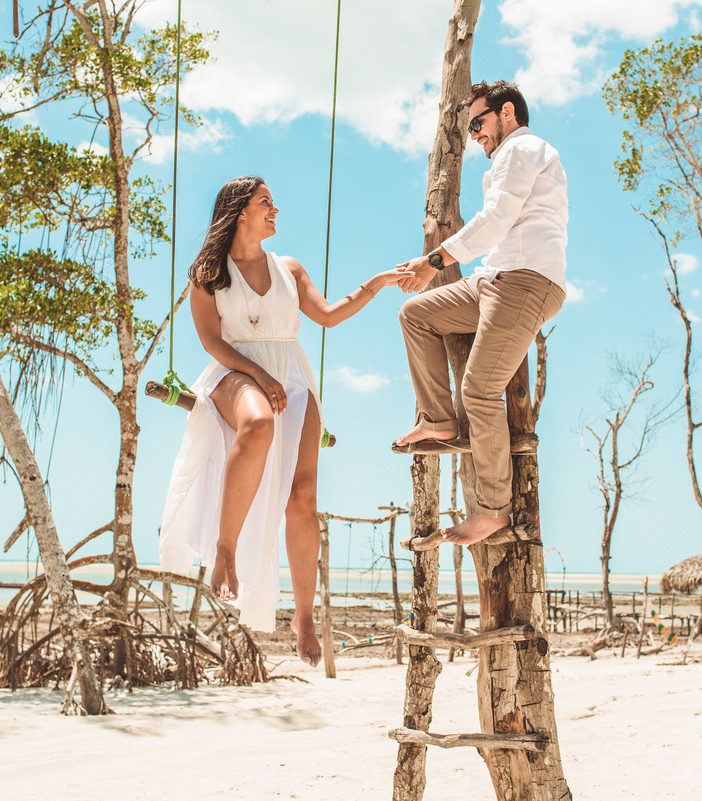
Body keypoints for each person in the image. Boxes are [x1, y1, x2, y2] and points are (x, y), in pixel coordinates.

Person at [159, 176, 400, 667]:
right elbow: (211, 341)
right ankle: (225, 551)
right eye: (265, 202)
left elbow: (329, 315)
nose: (275, 209)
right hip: (233, 369)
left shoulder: (289, 268)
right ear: (239, 210)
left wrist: (376, 285)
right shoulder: (208, 272)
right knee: (258, 424)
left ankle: (304, 616)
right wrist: (258, 374)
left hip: (292, 375)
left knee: (304, 496)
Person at [393, 80, 569, 546]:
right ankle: (439, 420)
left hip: (526, 279)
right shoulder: (511, 155)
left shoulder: (523, 148)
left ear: (506, 113)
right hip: (494, 278)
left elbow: (496, 220)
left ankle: (493, 511)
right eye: (470, 127)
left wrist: (435, 262)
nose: (474, 135)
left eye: (478, 123)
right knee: (416, 314)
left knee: (480, 388)